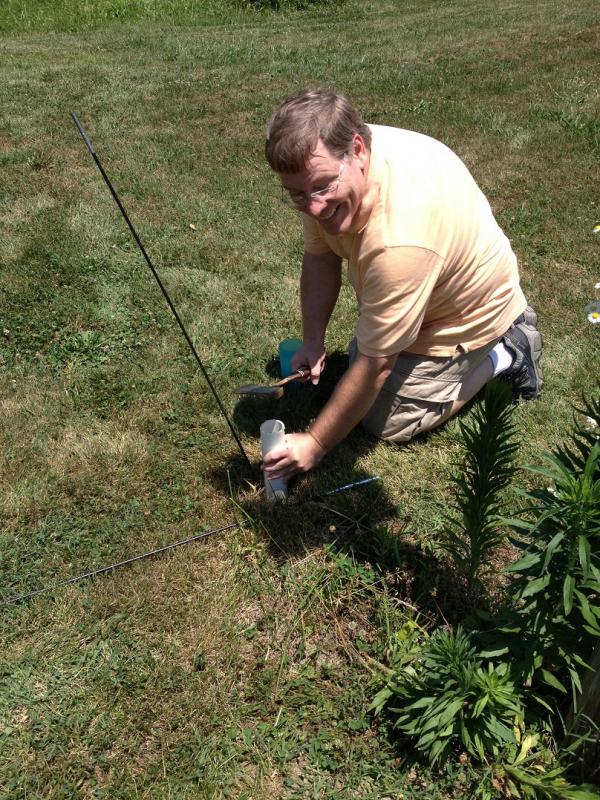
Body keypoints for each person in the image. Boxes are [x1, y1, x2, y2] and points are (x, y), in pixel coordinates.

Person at [262, 89, 543, 481]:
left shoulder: (399, 241)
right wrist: (313, 341)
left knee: (386, 419)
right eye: (296, 195)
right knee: (360, 364)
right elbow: (320, 256)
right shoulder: (325, 164)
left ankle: (508, 351)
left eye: (321, 187)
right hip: (431, 283)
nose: (313, 207)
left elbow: (377, 366)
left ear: (357, 150)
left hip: (469, 312)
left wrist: (315, 443)